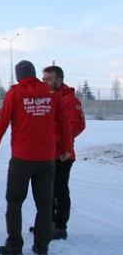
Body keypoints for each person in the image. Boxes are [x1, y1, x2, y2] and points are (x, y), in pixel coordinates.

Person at [0, 60, 72, 255]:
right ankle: (42, 245)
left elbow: (1, 122)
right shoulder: (52, 95)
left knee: (15, 201)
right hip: (47, 158)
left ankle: (14, 245)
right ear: (34, 74)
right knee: (44, 203)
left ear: (18, 76)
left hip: (22, 158)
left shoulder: (15, 94)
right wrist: (65, 149)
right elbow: (65, 122)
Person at [42, 65, 86, 240]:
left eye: (49, 79)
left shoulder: (69, 100)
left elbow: (78, 125)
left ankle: (60, 226)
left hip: (62, 154)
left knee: (60, 190)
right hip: (48, 153)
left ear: (59, 80)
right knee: (48, 190)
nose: (45, 82)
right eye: (44, 79)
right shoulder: (49, 98)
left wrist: (60, 141)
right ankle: (48, 222)